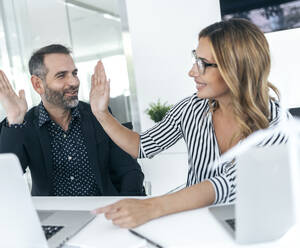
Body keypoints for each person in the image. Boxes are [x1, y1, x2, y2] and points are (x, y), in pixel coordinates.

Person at [89, 19, 288, 228]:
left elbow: (227, 184)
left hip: (253, 229)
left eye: (203, 64)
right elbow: (142, 146)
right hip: (195, 224)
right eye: (195, 59)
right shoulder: (192, 108)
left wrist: (152, 206)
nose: (192, 72)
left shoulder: (276, 124)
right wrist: (101, 113)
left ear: (235, 68)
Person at [0, 44, 145, 197]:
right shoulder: (25, 124)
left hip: (103, 211)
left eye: (74, 73)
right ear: (38, 84)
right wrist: (14, 119)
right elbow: (3, 179)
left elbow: (129, 171)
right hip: (55, 216)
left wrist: (127, 205)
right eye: (61, 75)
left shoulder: (98, 115)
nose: (74, 82)